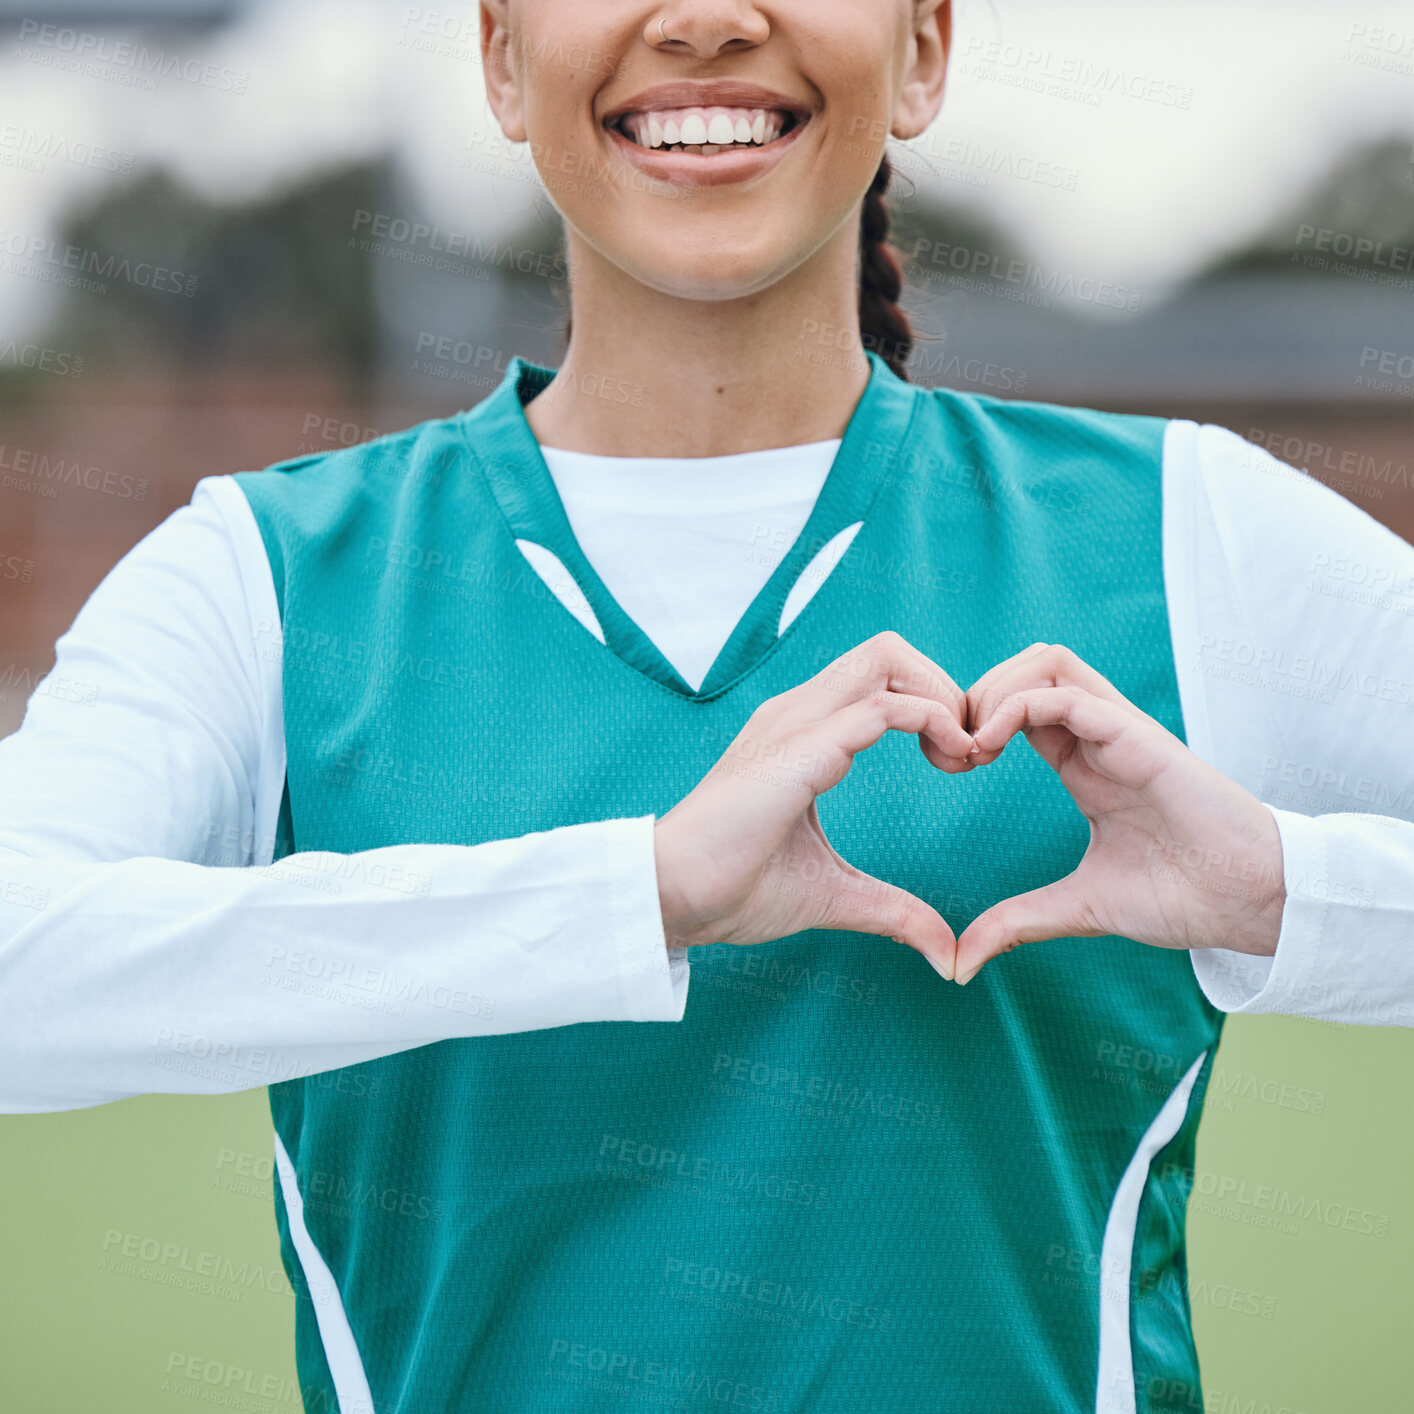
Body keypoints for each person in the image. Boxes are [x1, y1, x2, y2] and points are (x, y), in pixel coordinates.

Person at [1, 2, 1411, 1410]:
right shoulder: (264, 573)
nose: (705, 20)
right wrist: (641, 894)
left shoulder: (1184, 532)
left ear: (921, 50)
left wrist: (1284, 890)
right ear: (500, 55)